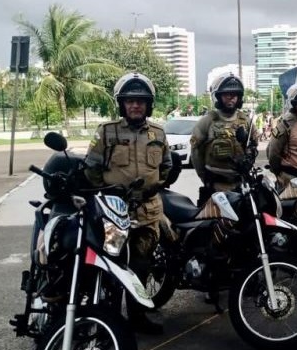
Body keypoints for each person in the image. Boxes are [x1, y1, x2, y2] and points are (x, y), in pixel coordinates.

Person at [84, 72, 172, 335]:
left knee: (142, 266)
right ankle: (107, 320)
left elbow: (166, 168)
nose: (135, 105)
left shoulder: (158, 133)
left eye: (141, 101)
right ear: (121, 104)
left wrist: (149, 188)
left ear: (148, 104)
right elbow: (91, 169)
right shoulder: (107, 132)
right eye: (130, 101)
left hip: (147, 211)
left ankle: (137, 316)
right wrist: (109, 194)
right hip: (114, 213)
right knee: (111, 264)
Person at [190, 73, 258, 201]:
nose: (232, 98)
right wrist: (205, 178)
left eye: (235, 94)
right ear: (219, 96)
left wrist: (249, 158)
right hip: (216, 186)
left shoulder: (246, 121)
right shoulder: (207, 121)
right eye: (227, 94)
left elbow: (253, 145)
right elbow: (196, 152)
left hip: (241, 184)